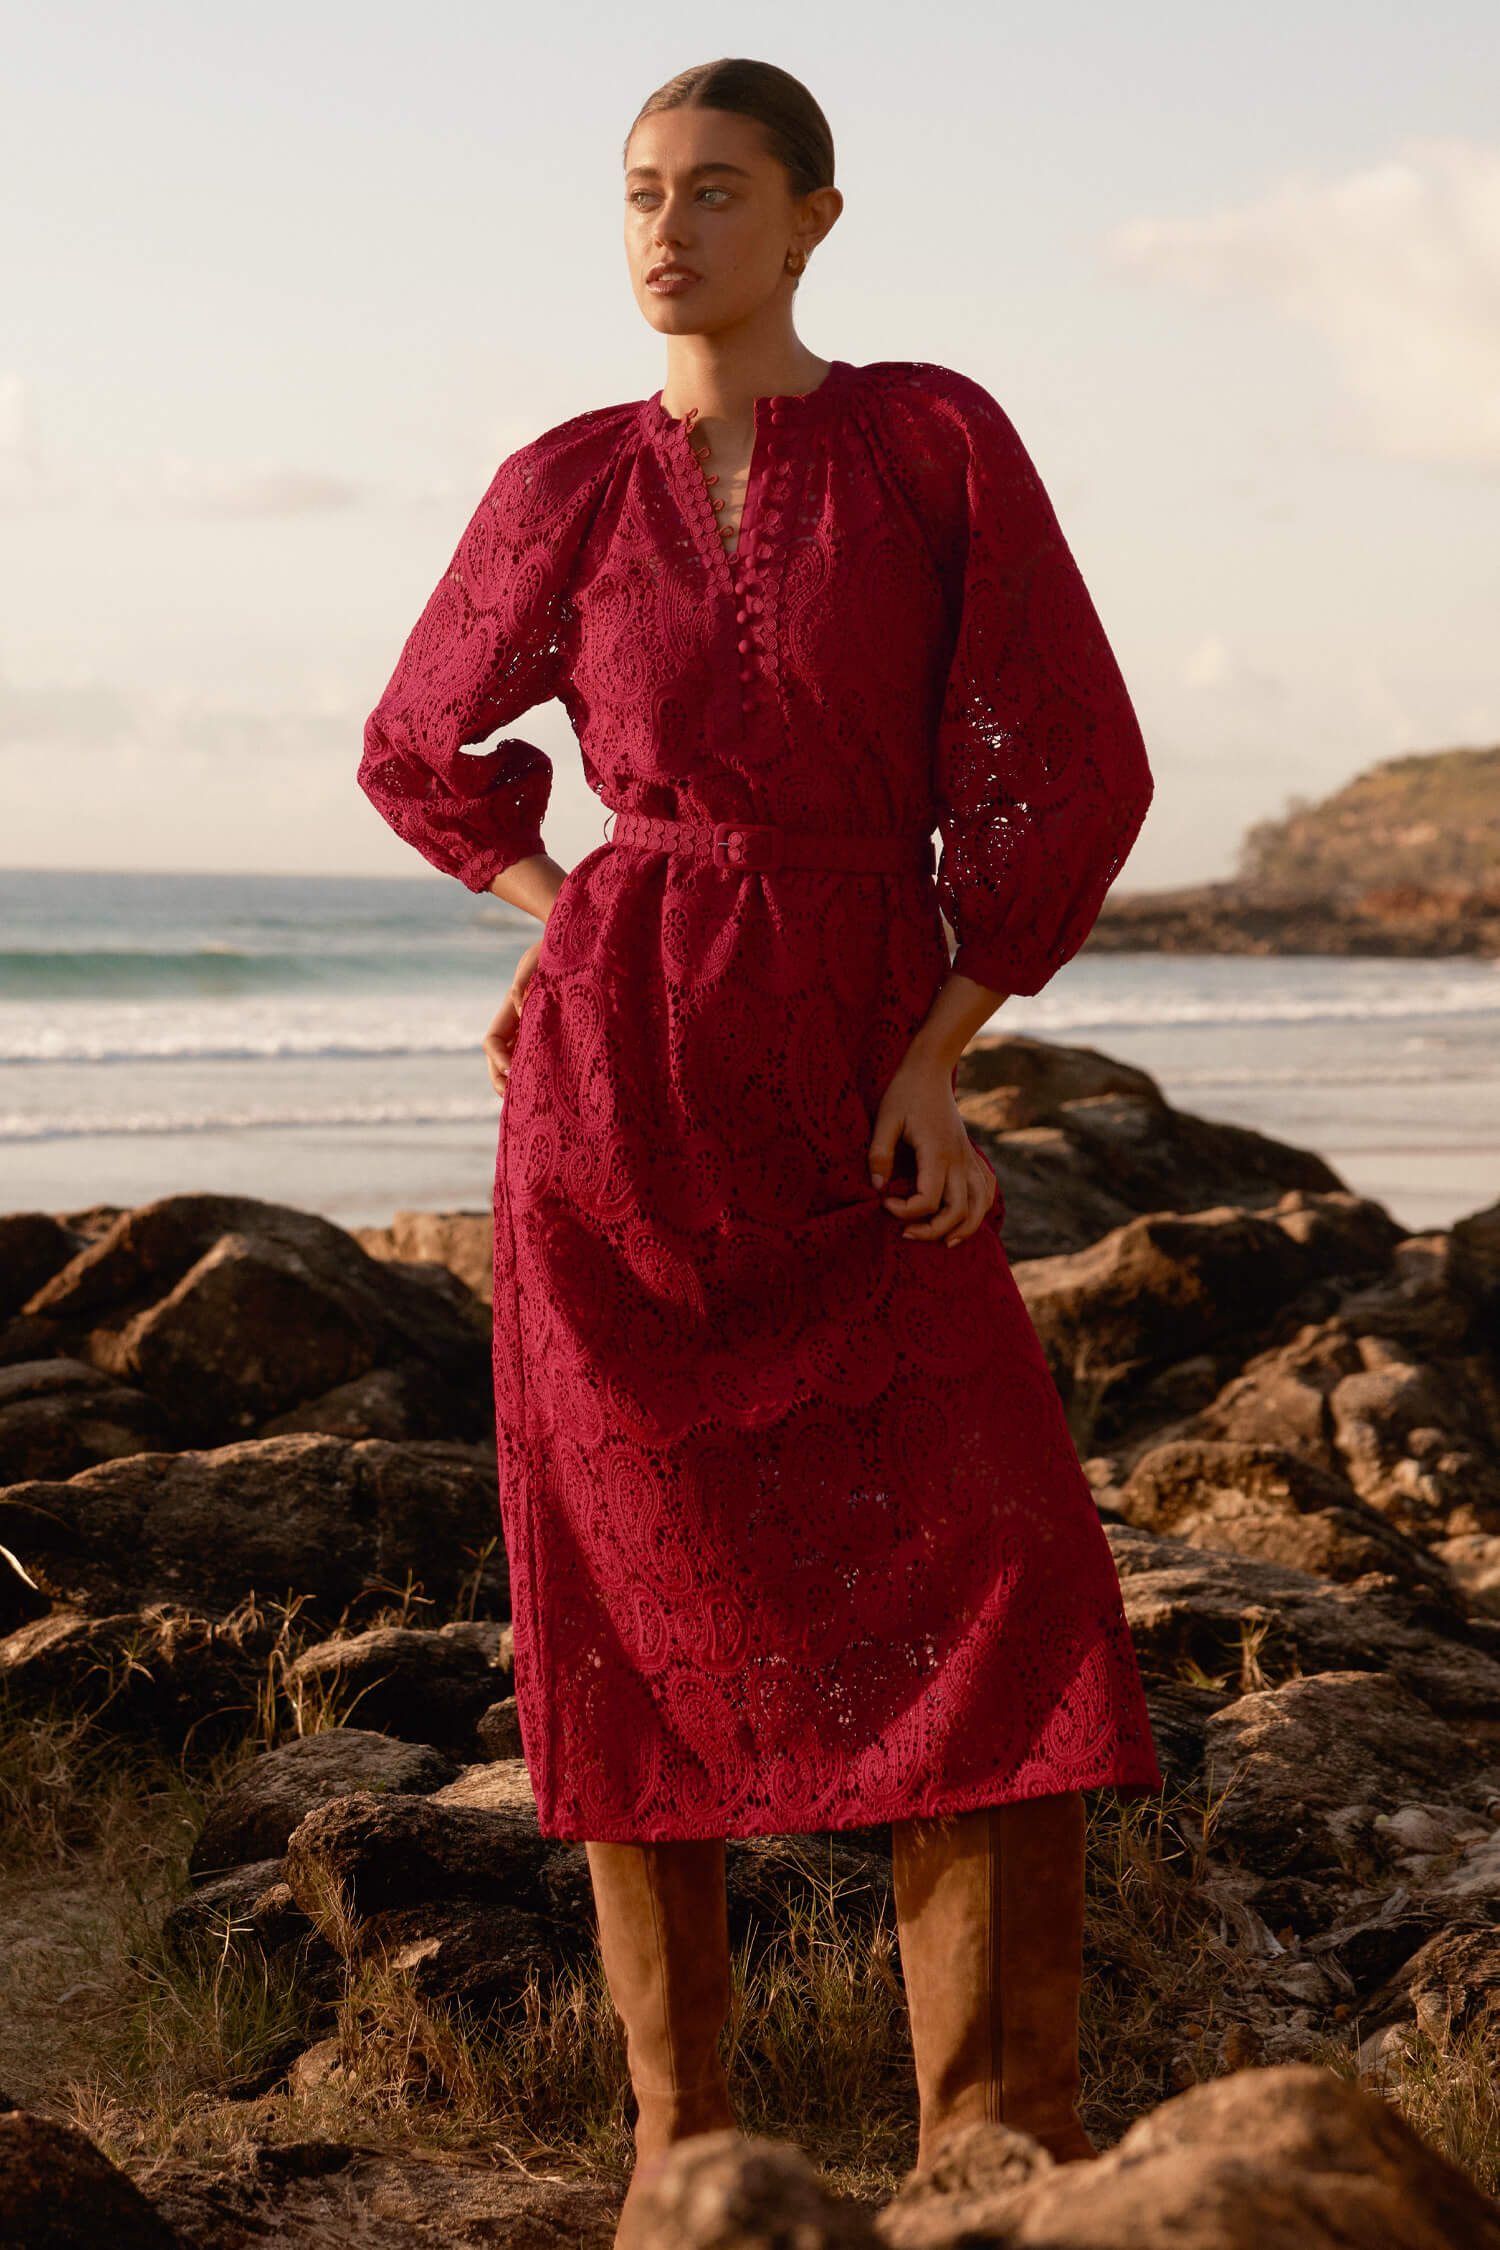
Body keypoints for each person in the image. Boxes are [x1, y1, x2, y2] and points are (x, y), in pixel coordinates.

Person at [358, 53, 1164, 2244]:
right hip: (617, 1103)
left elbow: (1070, 759)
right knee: (623, 1605)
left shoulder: (929, 441)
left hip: (857, 1069)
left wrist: (944, 1050)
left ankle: (997, 2163)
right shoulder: (562, 481)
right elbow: (423, 750)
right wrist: (574, 922)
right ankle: (680, 2162)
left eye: (714, 191)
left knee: (1006, 1580)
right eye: (637, 192)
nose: (663, 230)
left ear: (816, 215)